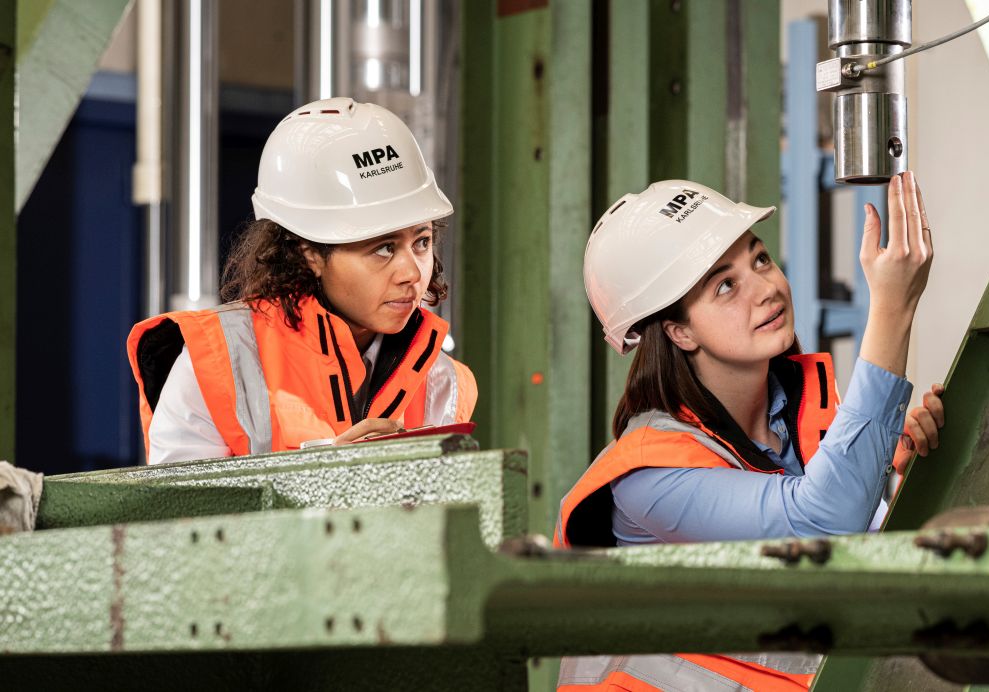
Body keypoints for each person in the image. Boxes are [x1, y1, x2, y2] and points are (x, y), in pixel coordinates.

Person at [555, 173, 943, 691]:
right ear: (679, 331)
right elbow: (824, 529)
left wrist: (910, 476)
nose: (766, 288)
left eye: (759, 259)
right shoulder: (648, 478)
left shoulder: (803, 426)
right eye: (724, 285)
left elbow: (868, 578)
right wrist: (893, 310)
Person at [127, 97, 475, 464]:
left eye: (421, 241)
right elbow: (179, 517)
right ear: (309, 252)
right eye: (384, 248)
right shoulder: (216, 363)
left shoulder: (444, 382)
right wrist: (320, 480)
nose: (413, 273)